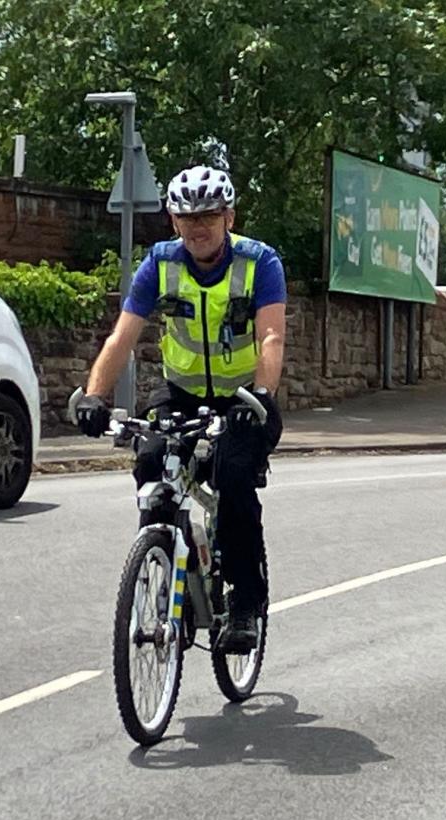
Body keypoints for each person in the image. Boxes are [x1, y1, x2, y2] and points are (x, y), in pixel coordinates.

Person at [75, 165, 287, 652]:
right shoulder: (161, 264)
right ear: (173, 221)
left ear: (228, 216)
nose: (198, 226)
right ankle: (166, 562)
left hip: (244, 397)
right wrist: (94, 395)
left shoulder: (259, 263)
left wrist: (261, 396)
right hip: (180, 392)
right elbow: (122, 336)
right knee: (151, 463)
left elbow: (271, 335)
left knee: (233, 478)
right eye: (187, 216)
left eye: (209, 215)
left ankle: (245, 605)